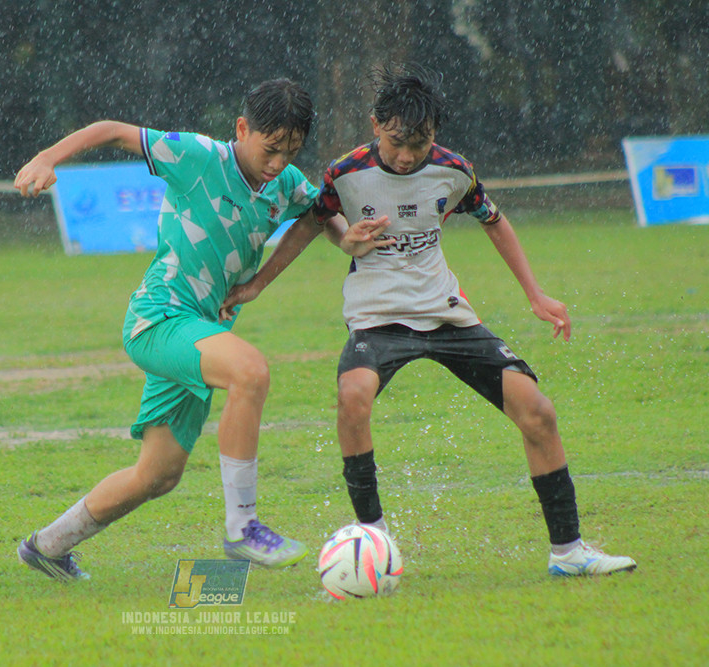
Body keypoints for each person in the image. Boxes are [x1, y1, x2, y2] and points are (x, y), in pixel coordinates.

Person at [223, 64, 636, 577]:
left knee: (539, 412)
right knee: (353, 399)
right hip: (376, 317)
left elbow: (495, 221)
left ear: (433, 135)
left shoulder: (454, 170)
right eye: (397, 141)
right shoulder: (345, 173)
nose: (406, 154)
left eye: (418, 143)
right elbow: (310, 227)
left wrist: (535, 294)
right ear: (376, 126)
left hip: (446, 314)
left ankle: (569, 552)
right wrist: (258, 284)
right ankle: (372, 540)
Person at [12, 79, 336, 581]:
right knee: (250, 371)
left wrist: (328, 250)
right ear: (242, 129)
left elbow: (318, 217)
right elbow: (113, 130)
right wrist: (46, 157)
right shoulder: (198, 156)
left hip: (198, 333)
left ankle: (47, 546)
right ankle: (243, 529)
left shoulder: (286, 183)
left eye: (290, 151)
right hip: (159, 318)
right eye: (270, 149)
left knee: (157, 474)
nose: (277, 163)